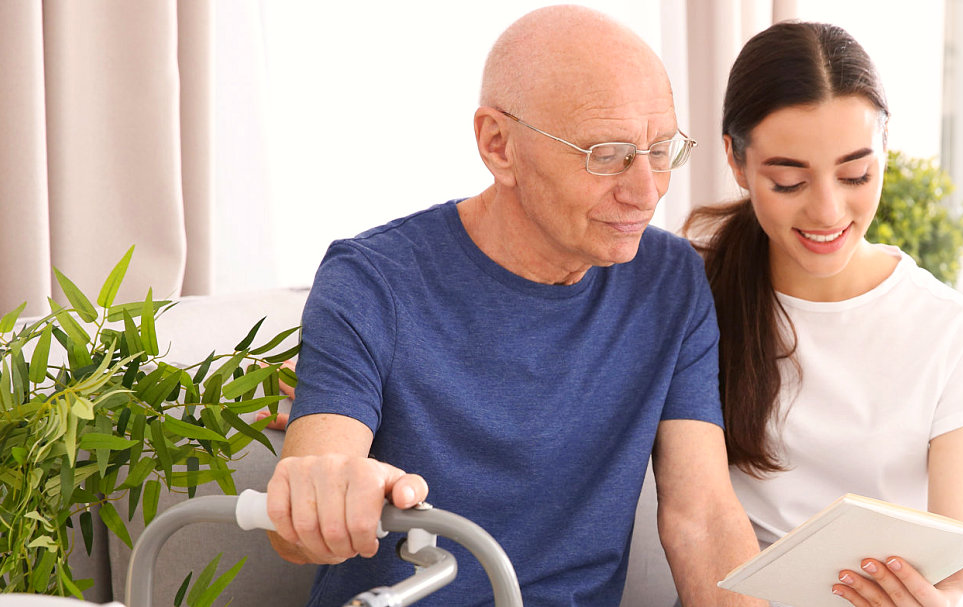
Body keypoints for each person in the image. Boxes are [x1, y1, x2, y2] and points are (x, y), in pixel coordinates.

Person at [263, 6, 762, 606]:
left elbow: (701, 515)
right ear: (498, 145)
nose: (647, 190)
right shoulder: (372, 281)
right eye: (606, 155)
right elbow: (298, 525)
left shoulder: (670, 282)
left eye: (662, 150)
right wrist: (324, 498)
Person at [684, 22, 963, 607]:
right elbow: (694, 521)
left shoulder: (953, 332)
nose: (826, 210)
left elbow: (956, 566)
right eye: (788, 180)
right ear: (736, 163)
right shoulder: (698, 300)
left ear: (885, 152)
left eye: (855, 175)